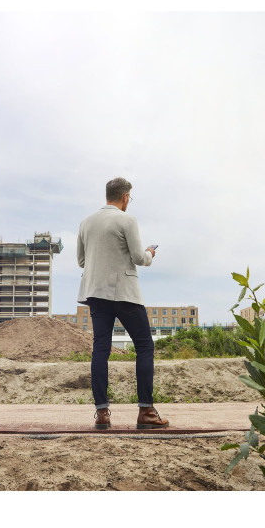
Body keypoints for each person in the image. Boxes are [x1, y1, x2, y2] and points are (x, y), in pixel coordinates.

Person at [77, 177, 169, 430]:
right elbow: (139, 258)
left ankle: (102, 413)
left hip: (95, 292)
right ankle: (146, 411)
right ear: (125, 197)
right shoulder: (127, 220)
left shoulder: (86, 222)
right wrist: (150, 253)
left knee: (100, 349)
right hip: (124, 293)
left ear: (108, 194)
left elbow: (82, 261)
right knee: (144, 346)